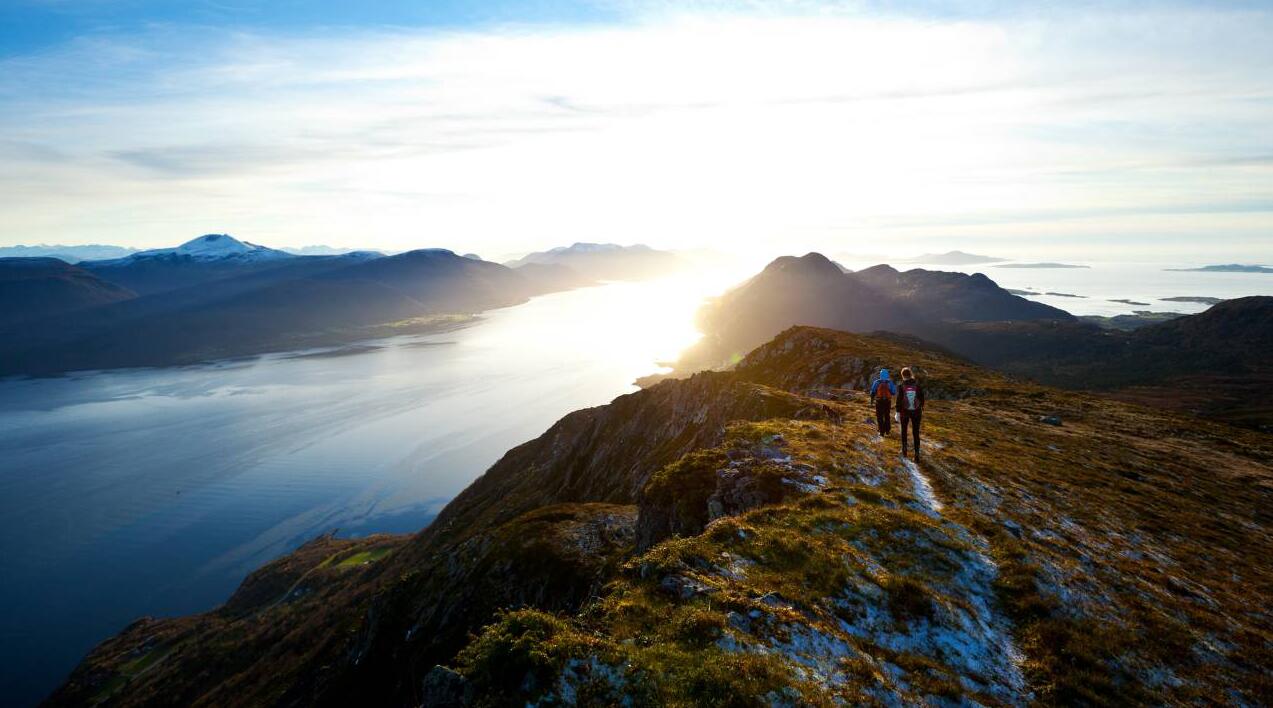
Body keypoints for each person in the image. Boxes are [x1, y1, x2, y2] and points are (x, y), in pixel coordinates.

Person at [896, 367, 925, 461]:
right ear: (910, 374)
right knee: (916, 433)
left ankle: (904, 452)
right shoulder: (917, 385)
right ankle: (917, 455)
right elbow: (922, 398)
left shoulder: (901, 386)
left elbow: (899, 400)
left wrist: (897, 412)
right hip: (917, 412)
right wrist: (921, 408)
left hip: (905, 412)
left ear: (902, 375)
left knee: (904, 431)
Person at [868, 368, 896, 435]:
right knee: (887, 415)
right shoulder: (890, 382)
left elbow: (872, 392)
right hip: (887, 401)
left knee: (879, 416)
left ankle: (881, 431)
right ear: (887, 375)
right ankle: (887, 430)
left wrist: (871, 401)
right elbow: (893, 392)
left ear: (880, 374)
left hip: (879, 401)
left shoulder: (876, 382)